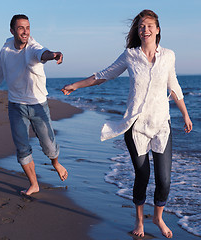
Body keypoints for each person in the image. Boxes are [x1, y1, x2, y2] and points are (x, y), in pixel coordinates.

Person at [62, 9, 192, 239]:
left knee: (164, 179)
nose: (145, 29)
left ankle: (158, 217)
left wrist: (185, 114)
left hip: (162, 124)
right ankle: (139, 220)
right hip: (136, 125)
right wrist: (76, 85)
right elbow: (104, 75)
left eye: (149, 25)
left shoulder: (169, 56)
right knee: (142, 175)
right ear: (138, 31)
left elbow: (174, 87)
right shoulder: (130, 55)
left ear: (158, 29)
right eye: (141, 26)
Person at [0, 14, 68, 196]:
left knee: (49, 146)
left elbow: (43, 53)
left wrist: (54, 55)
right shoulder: (6, 49)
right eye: (21, 28)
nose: (25, 31)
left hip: (38, 105)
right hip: (16, 107)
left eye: (27, 27)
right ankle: (34, 184)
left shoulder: (33, 48)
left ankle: (56, 163)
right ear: (12, 31)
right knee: (22, 148)